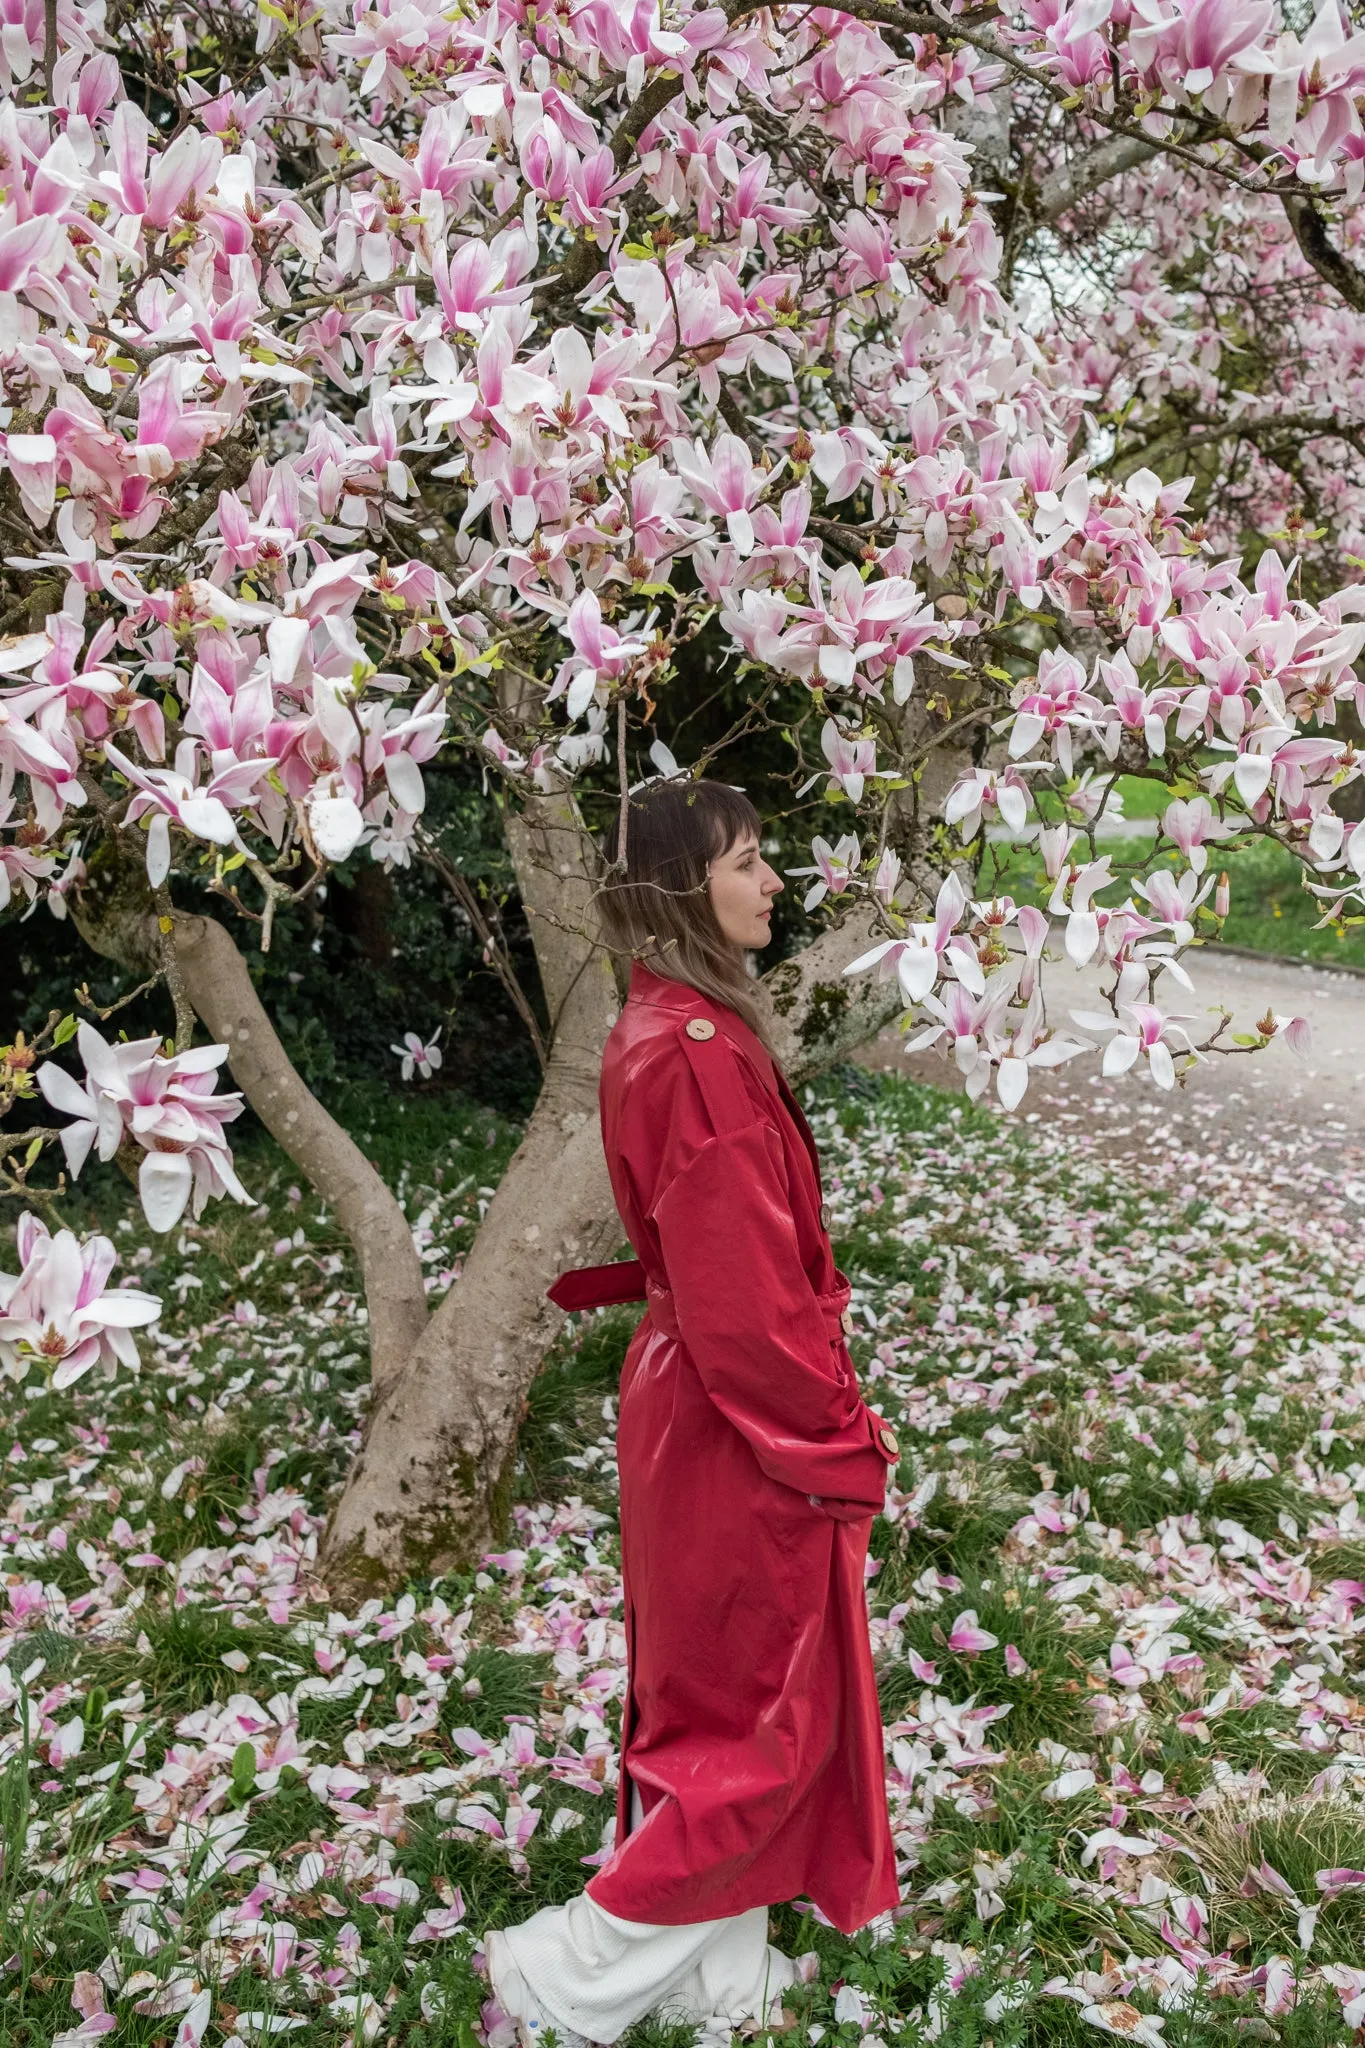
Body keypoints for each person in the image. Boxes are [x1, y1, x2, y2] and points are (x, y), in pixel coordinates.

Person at [484, 778, 902, 2048]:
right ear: (683, 886)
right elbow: (744, 1299)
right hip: (735, 1411)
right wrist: (837, 1436)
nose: (773, 880)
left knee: (720, 1688)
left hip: (693, 1398)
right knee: (772, 1702)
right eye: (748, 861)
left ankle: (716, 1970)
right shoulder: (699, 1052)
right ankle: (571, 1966)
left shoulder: (667, 1022)